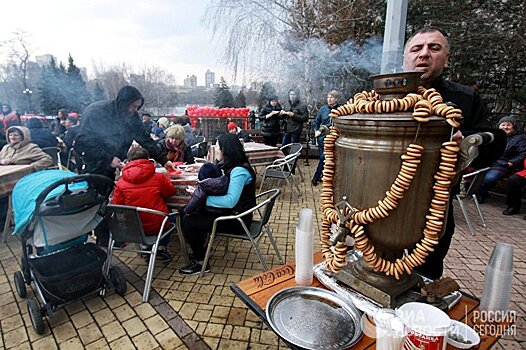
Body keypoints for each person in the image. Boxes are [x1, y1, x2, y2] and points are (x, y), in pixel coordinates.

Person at [402, 26, 505, 279]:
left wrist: (466, 144)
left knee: (425, 275)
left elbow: (495, 141)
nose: (424, 54)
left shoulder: (465, 98)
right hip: (380, 202)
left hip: (434, 207)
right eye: (417, 48)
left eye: (434, 48)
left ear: (446, 59)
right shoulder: (383, 97)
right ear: (406, 57)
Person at [74, 86, 174, 246]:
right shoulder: (97, 112)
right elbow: (82, 142)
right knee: (99, 200)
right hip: (94, 162)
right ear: (123, 102)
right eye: (133, 106)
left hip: (115, 160)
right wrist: (108, 158)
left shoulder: (132, 116)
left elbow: (145, 139)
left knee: (109, 197)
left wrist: (164, 160)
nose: (135, 110)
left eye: (138, 107)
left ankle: (112, 236)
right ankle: (103, 240)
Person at [179, 133, 256, 275]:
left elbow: (230, 201)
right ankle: (200, 249)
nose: (216, 149)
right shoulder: (233, 164)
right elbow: (218, 172)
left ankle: (201, 261)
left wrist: (202, 198)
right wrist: (198, 169)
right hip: (232, 213)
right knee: (185, 211)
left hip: (238, 220)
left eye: (218, 147)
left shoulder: (239, 171)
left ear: (226, 150)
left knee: (189, 220)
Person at [111, 147, 177, 262]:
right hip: (158, 225)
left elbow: (117, 206)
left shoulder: (121, 183)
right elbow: (170, 192)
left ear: (129, 161)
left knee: (144, 217)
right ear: (147, 159)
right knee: (171, 216)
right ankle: (161, 248)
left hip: (133, 228)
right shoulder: (159, 177)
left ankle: (145, 246)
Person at [0, 126, 54, 227]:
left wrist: (30, 167)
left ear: (23, 136)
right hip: (6, 178)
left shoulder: (31, 148)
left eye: (15, 135)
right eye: (10, 135)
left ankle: (3, 221)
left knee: (3, 197)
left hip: (22, 180)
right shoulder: (6, 148)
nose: (12, 137)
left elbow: (47, 159)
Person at [477, 115, 526, 206]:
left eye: (508, 125)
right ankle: (479, 192)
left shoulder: (520, 138)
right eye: (503, 125)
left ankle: (480, 194)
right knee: (472, 172)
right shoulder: (495, 135)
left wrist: (511, 162)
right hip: (490, 161)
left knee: (489, 178)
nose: (505, 127)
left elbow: (522, 153)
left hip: (504, 164)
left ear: (514, 127)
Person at [311, 90, 341, 186]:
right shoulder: (323, 109)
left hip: (334, 138)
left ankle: (316, 177)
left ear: (336, 99)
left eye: (331, 97)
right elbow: (316, 122)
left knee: (323, 157)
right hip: (322, 138)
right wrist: (316, 130)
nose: (329, 99)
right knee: (323, 158)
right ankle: (322, 176)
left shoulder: (341, 109)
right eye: (328, 97)